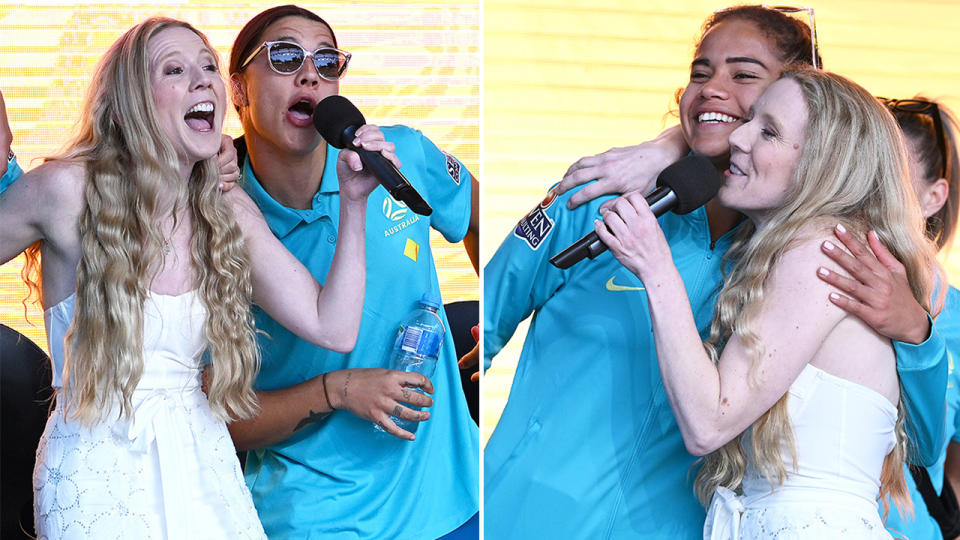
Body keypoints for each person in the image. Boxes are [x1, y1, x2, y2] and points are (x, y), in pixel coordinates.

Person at [483, 6, 947, 538]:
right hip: (521, 516)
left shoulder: (822, 255)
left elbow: (922, 446)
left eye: (745, 77)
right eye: (699, 74)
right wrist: (669, 147)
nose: (712, 90)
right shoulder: (598, 197)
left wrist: (916, 332)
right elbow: (482, 328)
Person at [0, 17, 386, 538]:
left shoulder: (223, 207)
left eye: (207, 66)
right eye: (175, 69)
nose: (204, 80)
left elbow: (333, 327)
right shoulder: (67, 191)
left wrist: (356, 206)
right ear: (133, 98)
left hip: (202, 460)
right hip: (95, 470)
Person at [599, 66, 937, 537]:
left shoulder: (823, 252)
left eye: (769, 132)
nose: (739, 138)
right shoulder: (807, 251)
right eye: (750, 119)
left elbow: (707, 423)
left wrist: (655, 267)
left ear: (824, 165)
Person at [220, 5, 480, 539]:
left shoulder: (399, 155)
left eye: (327, 60)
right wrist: (335, 389)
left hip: (453, 499)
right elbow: (216, 419)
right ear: (238, 91)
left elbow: (479, 213)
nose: (310, 73)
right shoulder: (216, 220)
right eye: (284, 56)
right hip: (311, 518)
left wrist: (495, 329)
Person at [878, 97, 960, 539]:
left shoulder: (959, 317)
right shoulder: (807, 277)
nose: (872, 191)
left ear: (934, 197)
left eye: (894, 179)